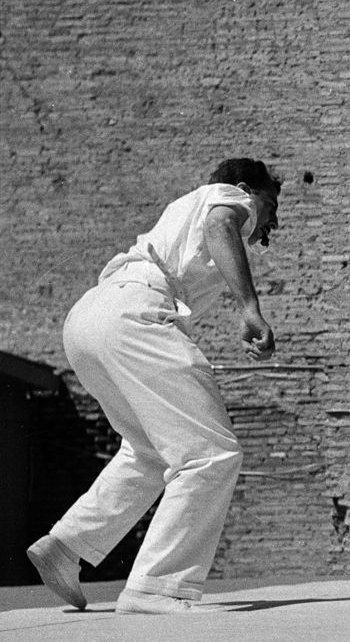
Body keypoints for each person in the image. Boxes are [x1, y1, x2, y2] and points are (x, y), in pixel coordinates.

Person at [26, 160, 282, 614]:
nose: (271, 220)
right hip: (134, 314)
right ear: (244, 188)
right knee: (212, 453)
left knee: (148, 451)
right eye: (270, 204)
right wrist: (249, 307)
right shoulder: (227, 199)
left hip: (89, 319)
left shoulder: (182, 211)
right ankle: (157, 586)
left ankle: (67, 546)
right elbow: (224, 224)